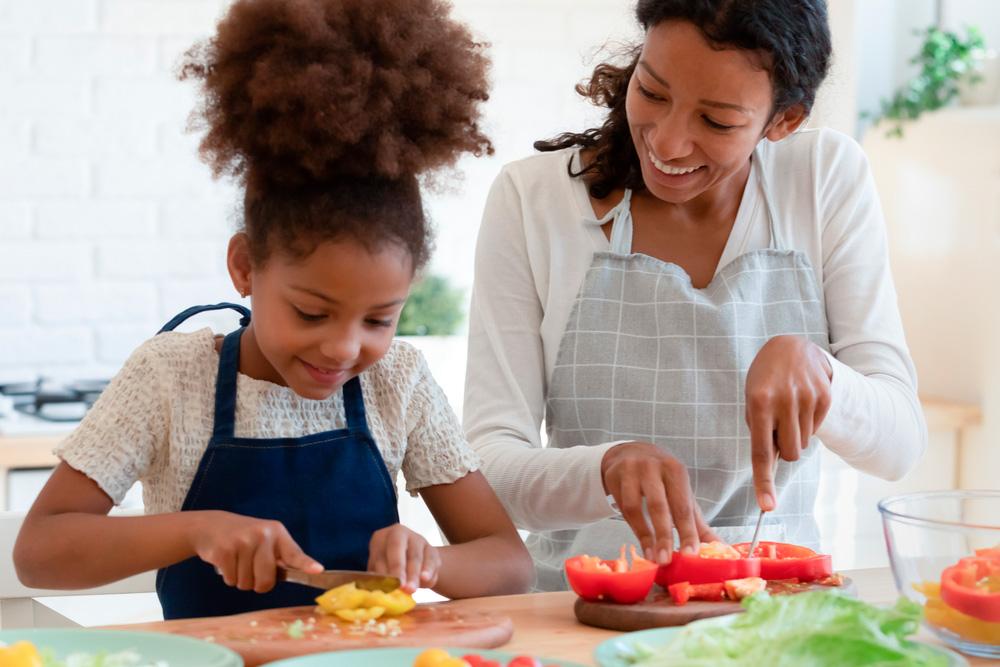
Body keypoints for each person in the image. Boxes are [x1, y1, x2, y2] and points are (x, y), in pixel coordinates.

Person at [14, 0, 532, 619]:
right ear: (245, 267)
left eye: (378, 319)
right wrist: (195, 530)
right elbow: (40, 552)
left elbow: (510, 562)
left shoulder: (399, 382)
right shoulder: (171, 379)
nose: (344, 347)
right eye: (312, 314)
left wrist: (434, 563)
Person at [464, 0, 928, 591]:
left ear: (783, 121)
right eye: (652, 93)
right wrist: (603, 470)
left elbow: (899, 446)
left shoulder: (822, 177)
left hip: (772, 604)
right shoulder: (532, 200)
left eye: (717, 121)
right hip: (584, 606)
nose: (669, 142)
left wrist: (825, 375)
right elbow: (488, 467)